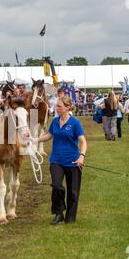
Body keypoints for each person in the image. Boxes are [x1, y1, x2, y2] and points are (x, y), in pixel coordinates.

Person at [34, 96, 87, 225]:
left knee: (73, 192)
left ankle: (70, 218)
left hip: (73, 162)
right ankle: (59, 213)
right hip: (56, 160)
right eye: (56, 106)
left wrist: (81, 156)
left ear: (67, 107)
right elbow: (49, 135)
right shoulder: (55, 121)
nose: (56, 108)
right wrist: (34, 139)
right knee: (57, 186)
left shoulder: (75, 123)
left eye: (59, 106)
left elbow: (83, 142)